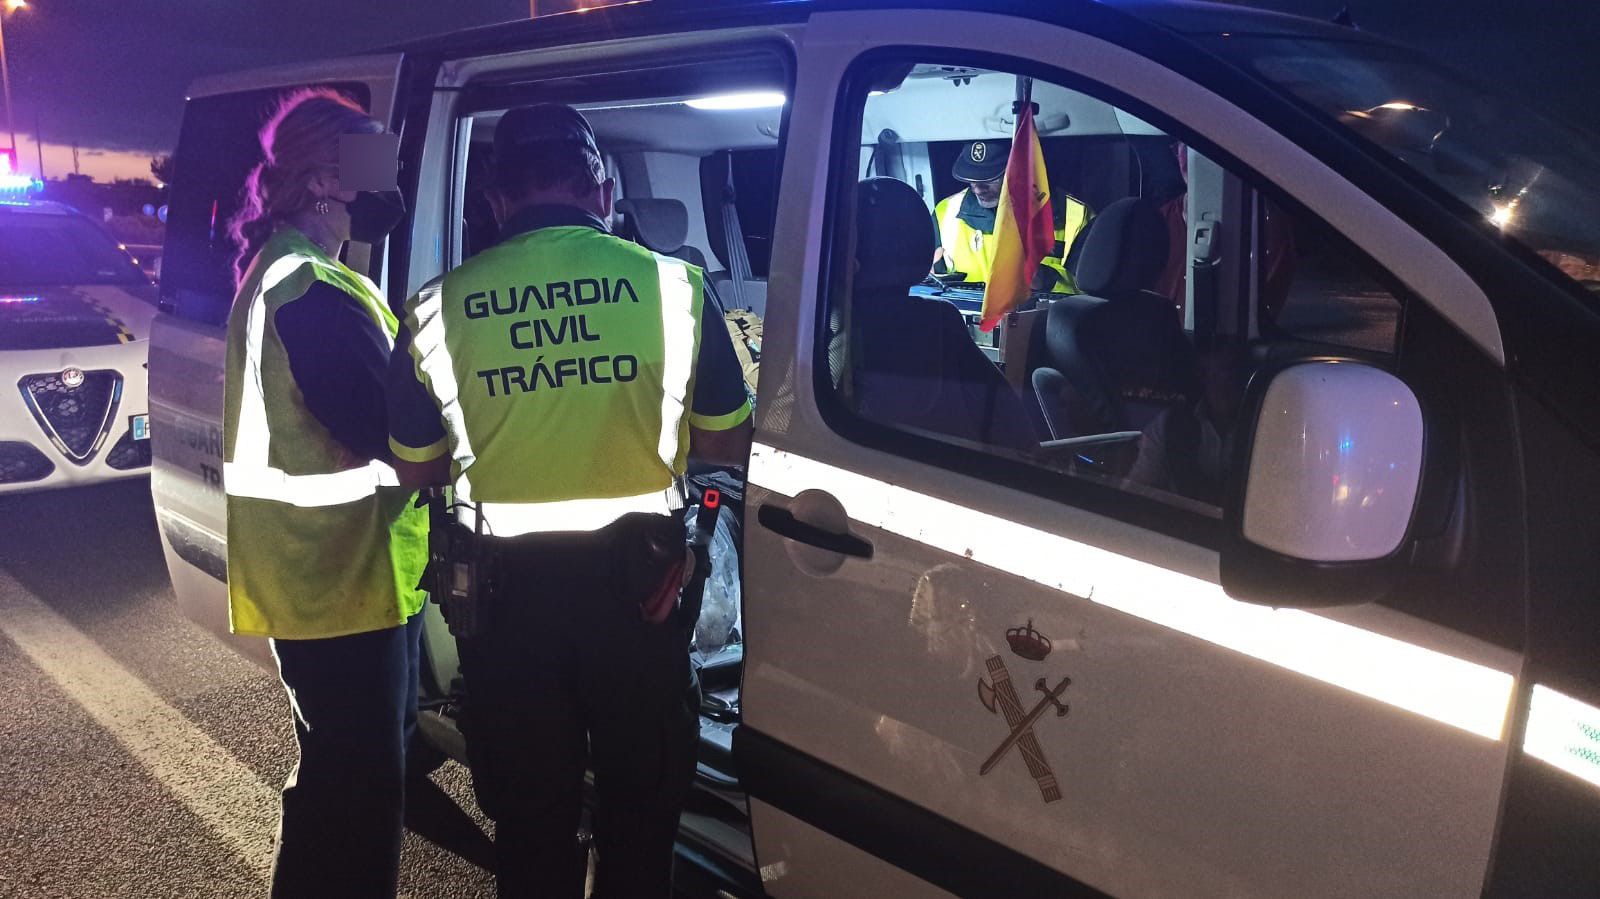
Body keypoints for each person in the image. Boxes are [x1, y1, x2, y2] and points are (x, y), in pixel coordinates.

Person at [387, 103, 754, 898]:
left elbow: (417, 471)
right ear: (602, 187)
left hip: (503, 608)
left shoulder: (432, 308)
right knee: (640, 819)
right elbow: (727, 444)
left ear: (494, 200)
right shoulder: (676, 288)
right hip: (643, 597)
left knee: (531, 827)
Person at [221, 89, 426, 898]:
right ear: (320, 183)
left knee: (337, 784)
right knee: (362, 798)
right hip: (341, 583)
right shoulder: (310, 290)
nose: (389, 188)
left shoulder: (291, 273)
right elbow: (395, 432)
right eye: (373, 170)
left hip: (321, 579)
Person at [932, 139, 1092, 292]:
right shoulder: (945, 212)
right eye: (972, 179)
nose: (978, 189)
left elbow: (1094, 300)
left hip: (1043, 319)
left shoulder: (1076, 215)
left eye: (990, 178)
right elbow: (934, 287)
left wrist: (1045, 280)